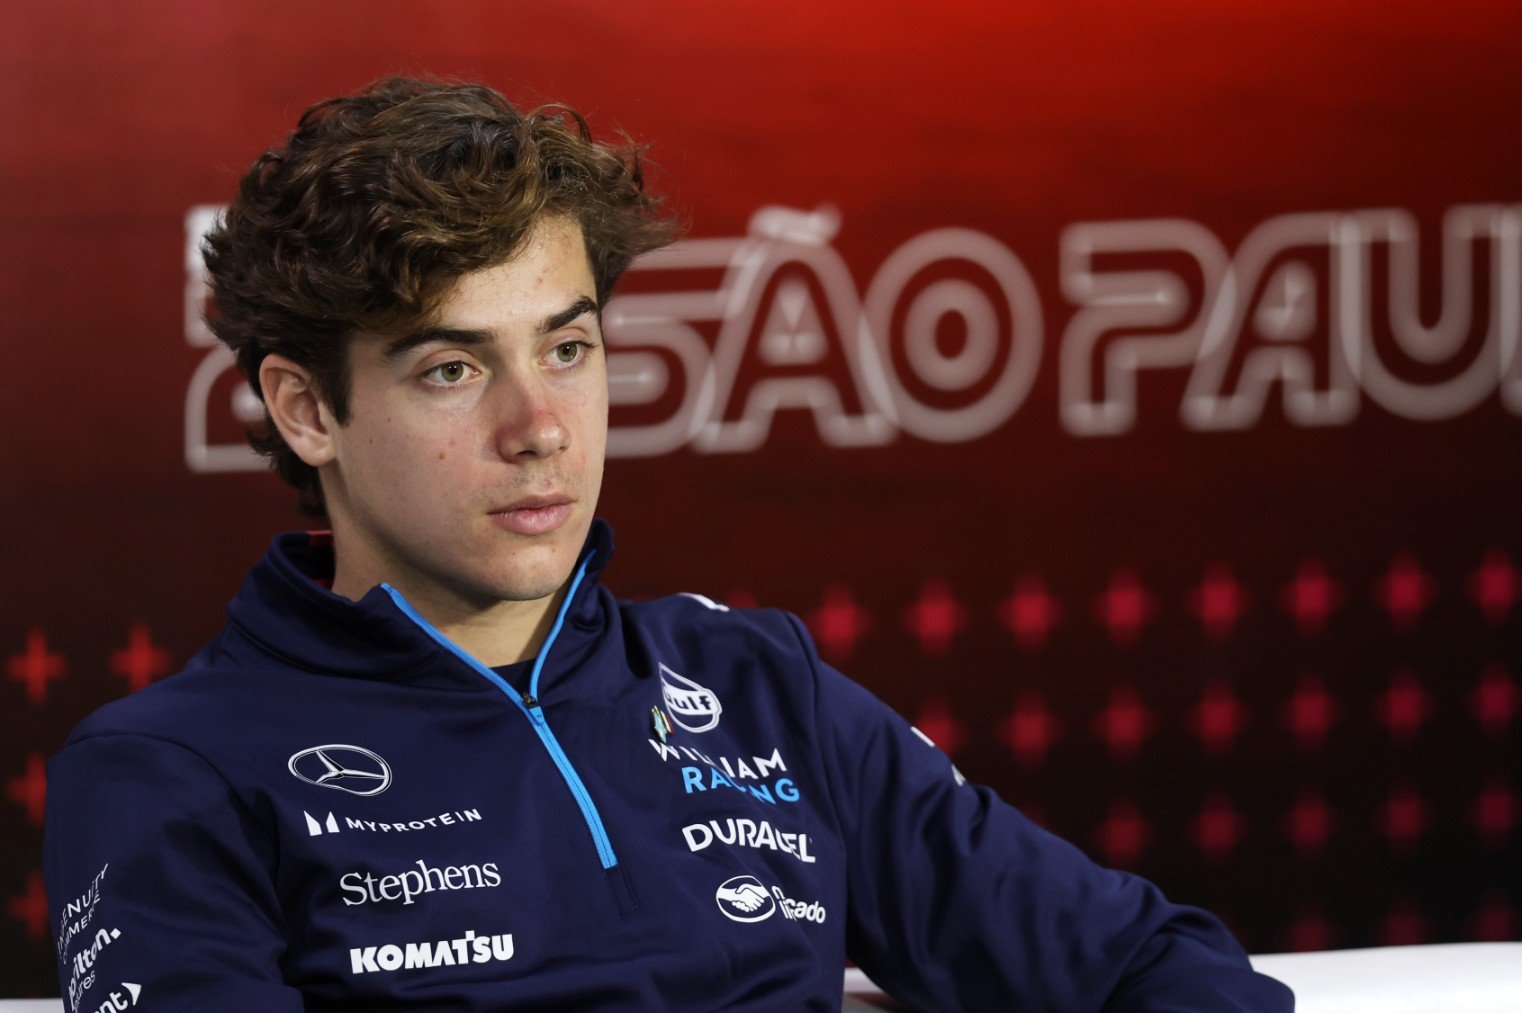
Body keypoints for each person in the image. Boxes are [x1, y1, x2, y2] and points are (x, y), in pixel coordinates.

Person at [42, 77, 1294, 1011]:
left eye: (568, 347)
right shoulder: (171, 771)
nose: (539, 428)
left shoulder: (761, 691)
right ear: (309, 409)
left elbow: (1147, 965)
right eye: (450, 366)